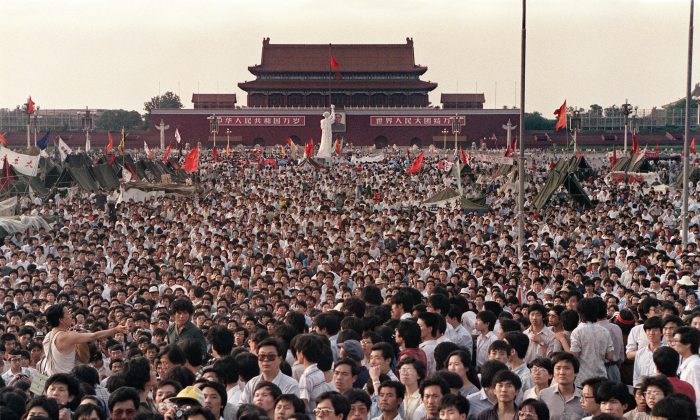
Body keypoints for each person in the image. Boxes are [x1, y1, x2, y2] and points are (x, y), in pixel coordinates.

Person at [41, 303, 127, 375]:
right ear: (61, 319)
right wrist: (115, 329)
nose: (71, 315)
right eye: (67, 313)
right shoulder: (67, 336)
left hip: (51, 381)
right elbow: (94, 336)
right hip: (66, 381)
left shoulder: (47, 336)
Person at [570, 298, 614, 387]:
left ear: (579, 312)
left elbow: (575, 356)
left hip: (583, 379)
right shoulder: (604, 331)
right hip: (601, 377)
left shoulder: (577, 331)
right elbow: (610, 356)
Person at [240, 337, 299, 404]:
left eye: (271, 356)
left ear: (280, 359)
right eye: (262, 356)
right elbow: (242, 407)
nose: (266, 360)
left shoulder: (290, 385)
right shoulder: (252, 383)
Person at [538, 352, 584, 420]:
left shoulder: (585, 397)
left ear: (576, 372)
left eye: (567, 368)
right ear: (553, 372)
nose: (562, 372)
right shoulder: (543, 395)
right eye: (558, 368)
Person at [671, 326, 700, 417]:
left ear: (688, 344)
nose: (673, 344)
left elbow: (697, 395)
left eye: (676, 341)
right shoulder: (682, 360)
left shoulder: (694, 366)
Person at [633, 317, 664, 387]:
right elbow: (636, 376)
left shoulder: (667, 352)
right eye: (649, 330)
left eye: (655, 330)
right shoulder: (640, 353)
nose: (651, 333)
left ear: (662, 332)